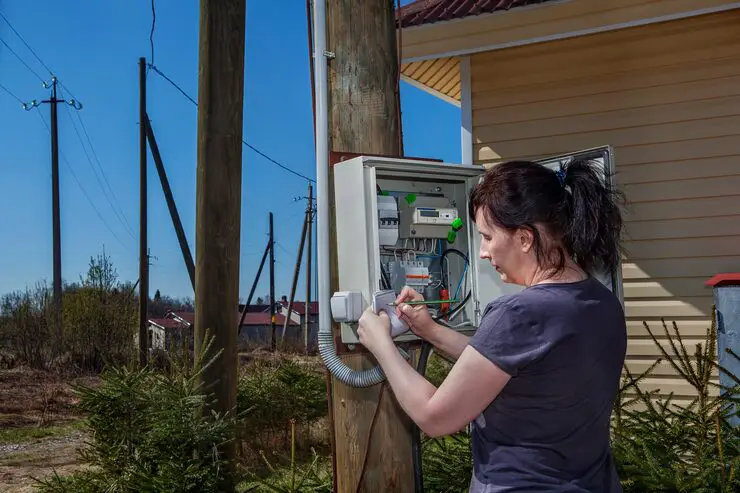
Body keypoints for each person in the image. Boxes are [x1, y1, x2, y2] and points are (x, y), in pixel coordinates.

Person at [357, 158, 628, 492]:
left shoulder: (518, 313)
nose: (483, 252)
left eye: (487, 236)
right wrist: (430, 330)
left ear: (525, 238)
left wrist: (380, 344)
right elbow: (514, 367)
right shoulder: (602, 303)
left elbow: (435, 416)